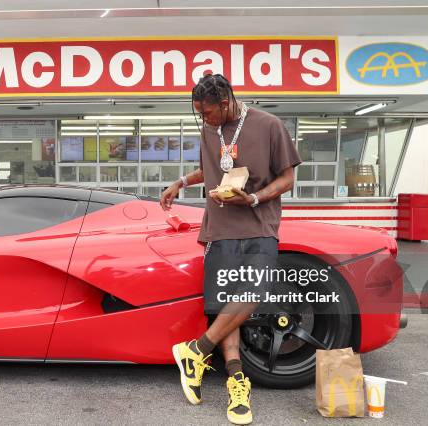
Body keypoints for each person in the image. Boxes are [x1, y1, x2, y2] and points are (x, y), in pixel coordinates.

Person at [160, 74, 301, 425]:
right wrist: (180, 182)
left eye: (207, 112)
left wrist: (253, 198)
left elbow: (288, 178)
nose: (202, 119)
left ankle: (196, 351)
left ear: (225, 103)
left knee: (253, 292)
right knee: (227, 304)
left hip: (259, 224)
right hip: (221, 228)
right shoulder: (210, 129)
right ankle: (238, 384)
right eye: (199, 113)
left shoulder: (269, 125)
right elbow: (210, 170)